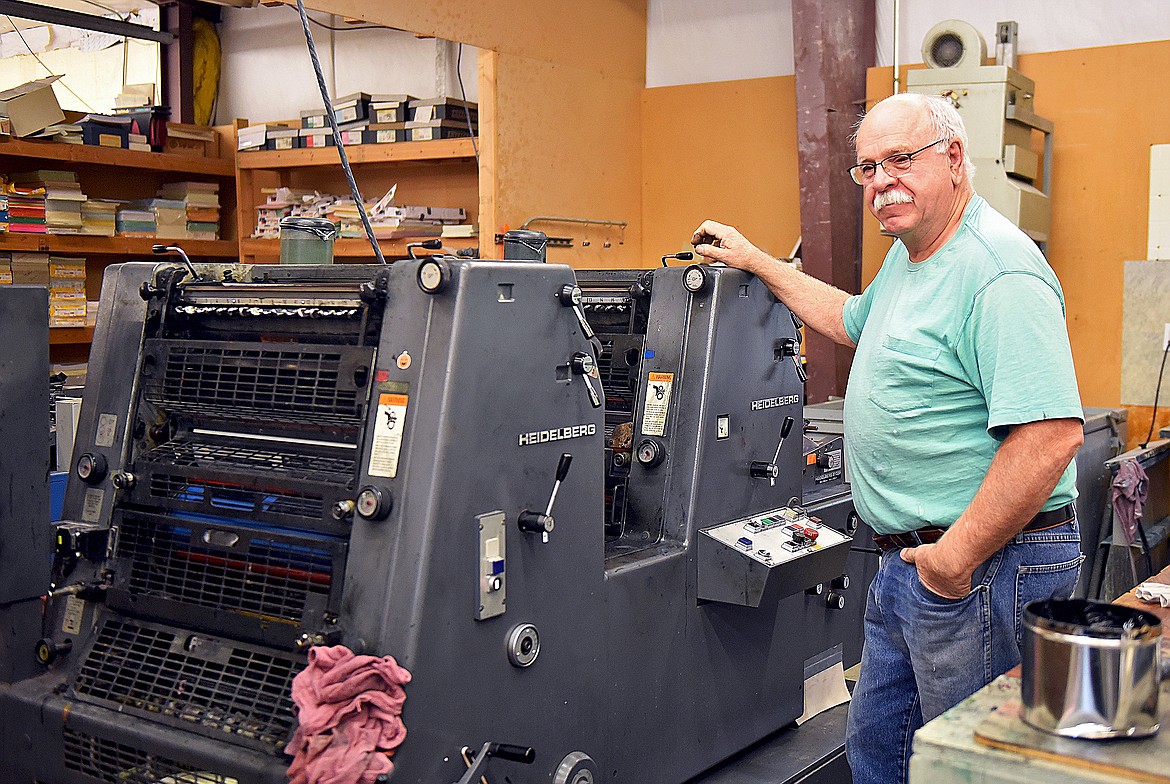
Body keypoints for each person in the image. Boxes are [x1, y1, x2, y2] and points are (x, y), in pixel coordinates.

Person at [691, 92, 1084, 784]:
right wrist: (757, 261)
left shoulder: (997, 270)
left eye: (900, 160)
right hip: (913, 565)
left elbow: (1050, 438)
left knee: (966, 770)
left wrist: (953, 562)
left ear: (955, 159)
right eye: (867, 168)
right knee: (880, 757)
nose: (880, 182)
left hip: (984, 565)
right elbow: (850, 319)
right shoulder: (913, 255)